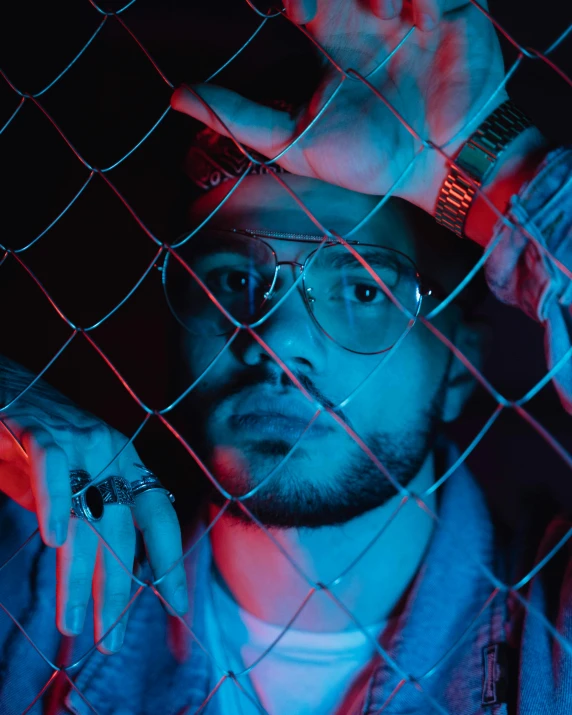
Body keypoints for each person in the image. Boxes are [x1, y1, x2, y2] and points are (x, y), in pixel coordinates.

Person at [0, 0, 570, 713]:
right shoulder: (32, 595)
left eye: (362, 289)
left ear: (460, 362)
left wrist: (496, 167)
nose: (280, 338)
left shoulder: (555, 643)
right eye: (236, 280)